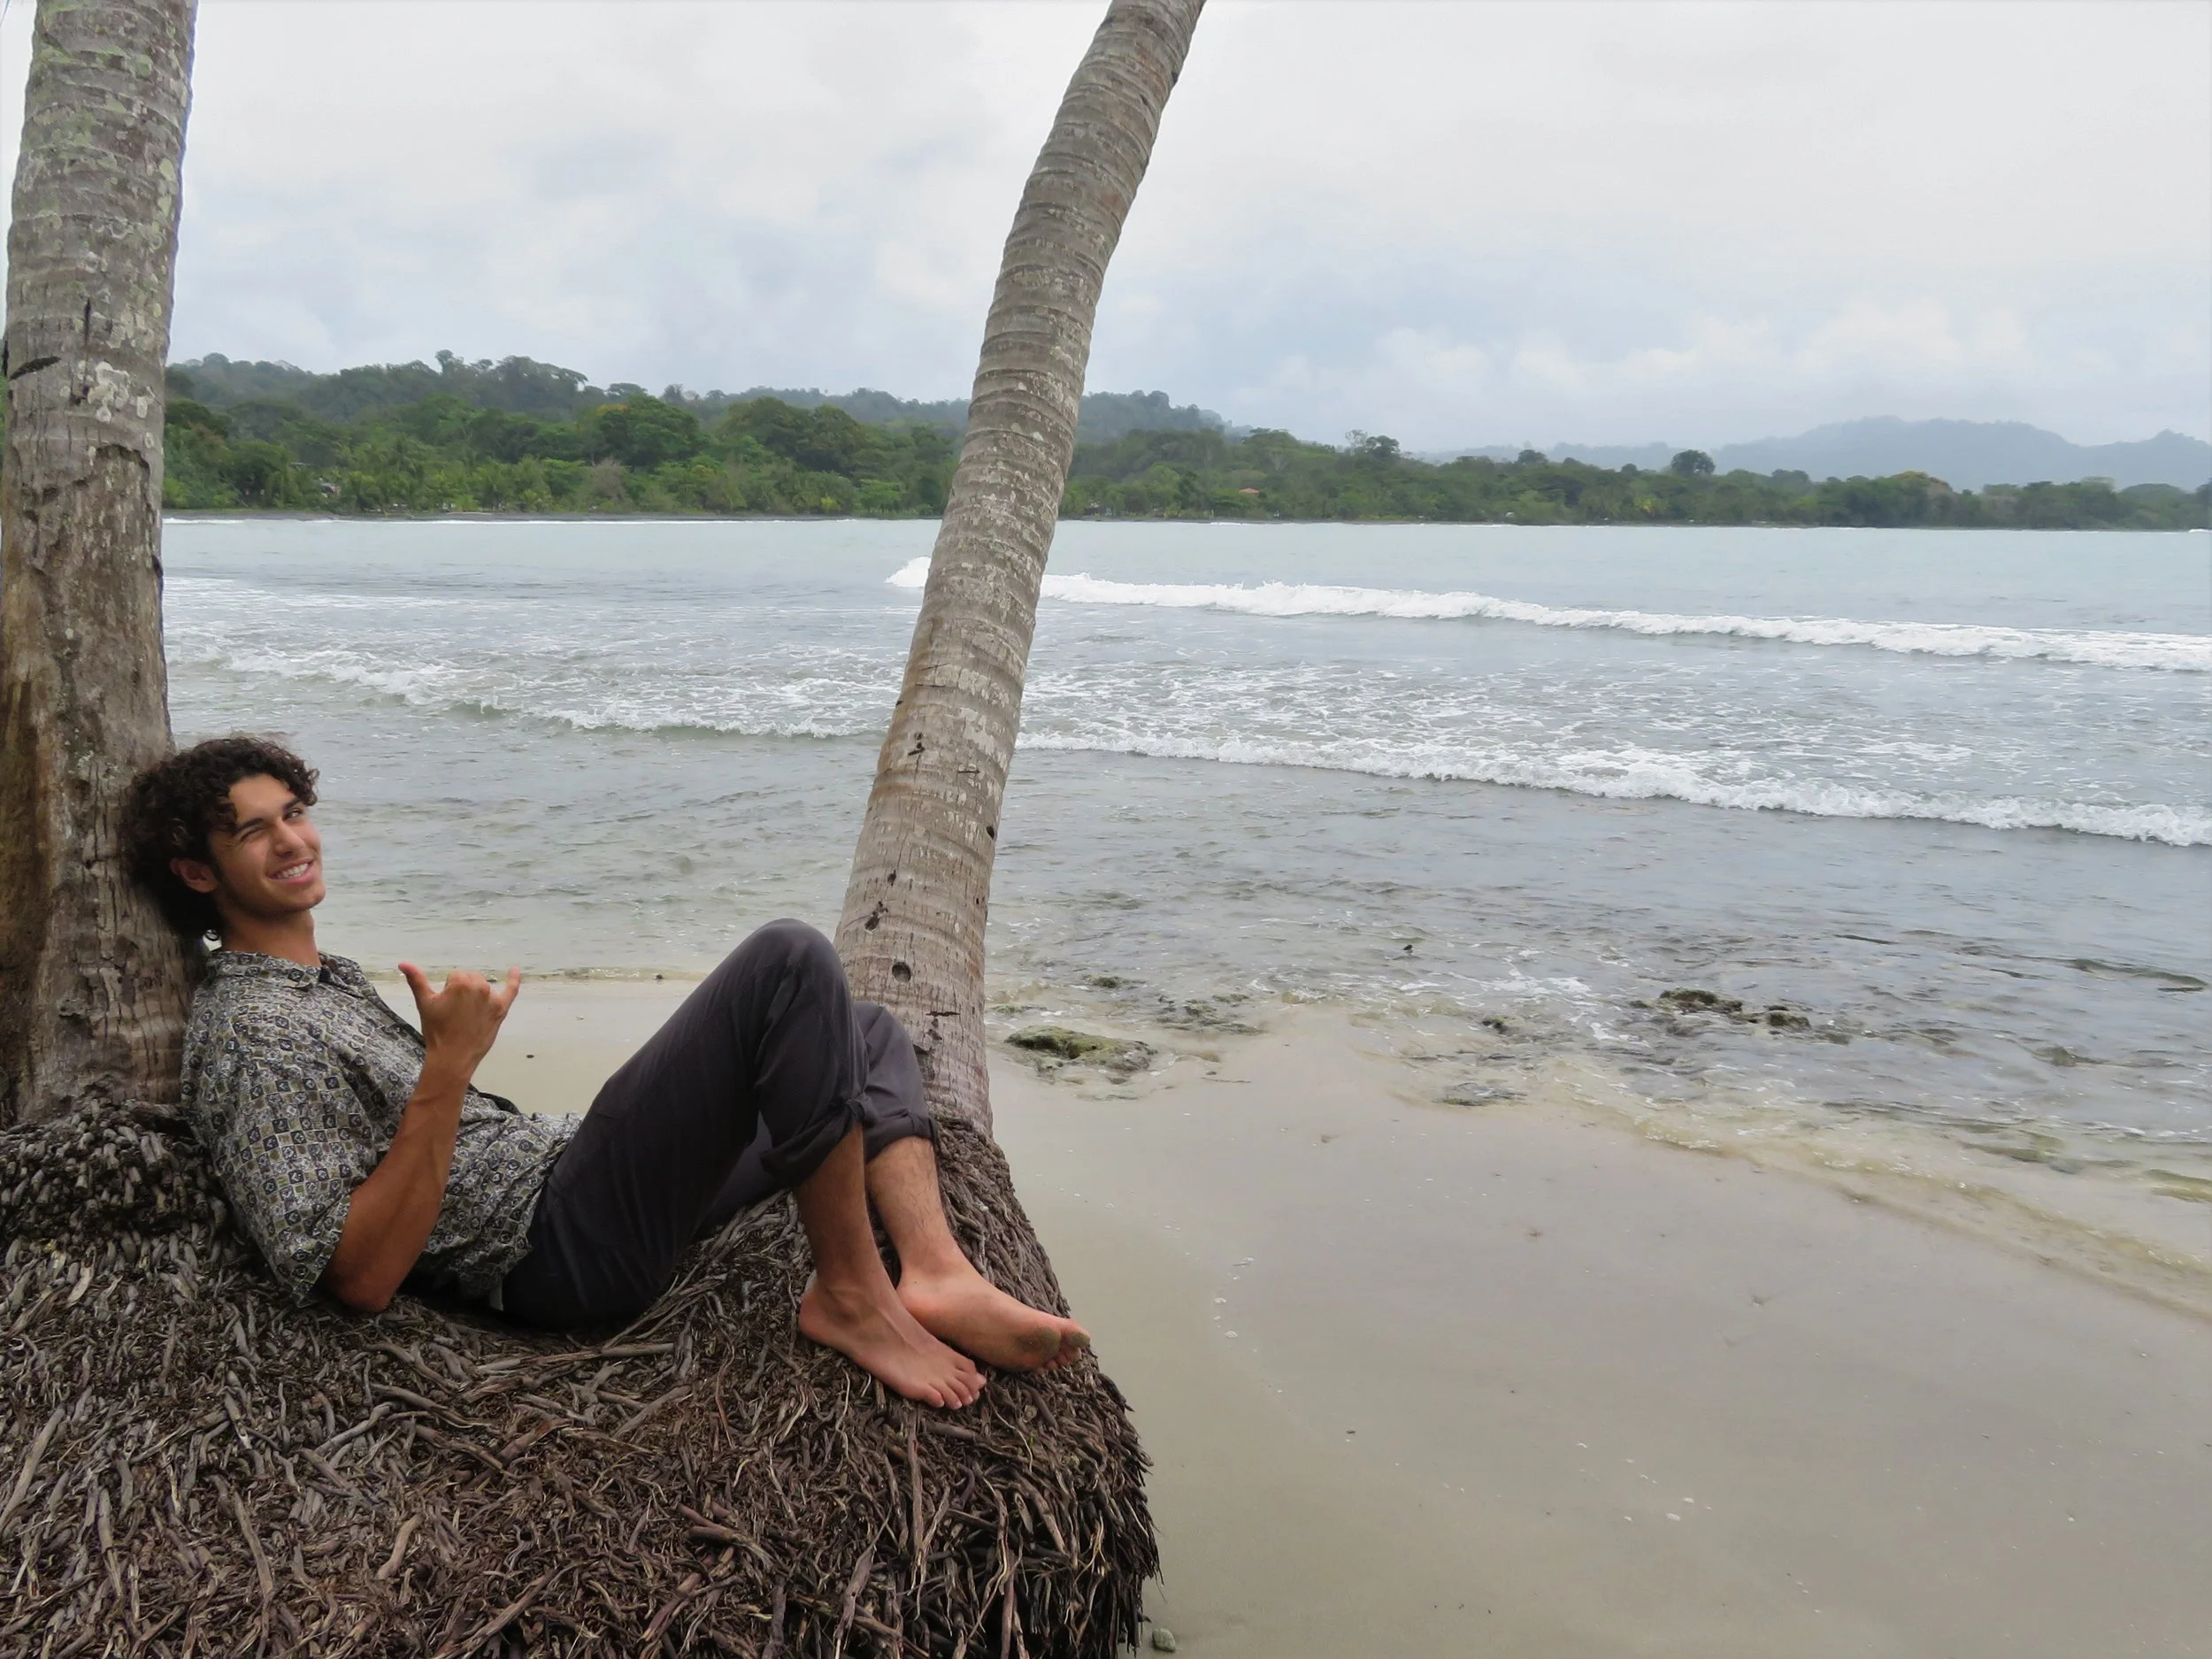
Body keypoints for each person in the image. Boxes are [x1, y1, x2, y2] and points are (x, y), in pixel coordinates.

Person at [121, 734, 1087, 1409]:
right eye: (255, 831)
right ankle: (848, 1294)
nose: (293, 841)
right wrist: (448, 1068)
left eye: (293, 813)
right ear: (199, 873)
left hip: (570, 1184)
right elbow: (359, 1278)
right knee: (791, 960)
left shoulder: (317, 982)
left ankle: (935, 1270)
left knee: (862, 1028)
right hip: (554, 1247)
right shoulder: (247, 1031)